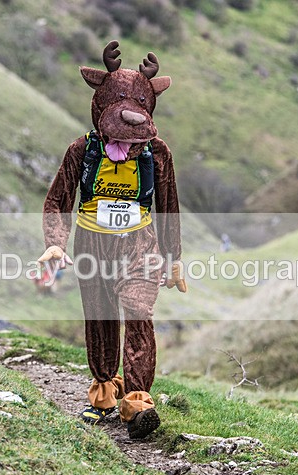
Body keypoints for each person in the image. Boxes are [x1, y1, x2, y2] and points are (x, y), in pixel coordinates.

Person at [38, 41, 186, 440]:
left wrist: (173, 259)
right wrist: (56, 242)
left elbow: (168, 206)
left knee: (138, 310)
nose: (126, 141)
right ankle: (105, 389)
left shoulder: (157, 154)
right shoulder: (81, 151)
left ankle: (137, 401)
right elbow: (57, 199)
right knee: (101, 315)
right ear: (99, 102)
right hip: (91, 244)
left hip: (139, 245)